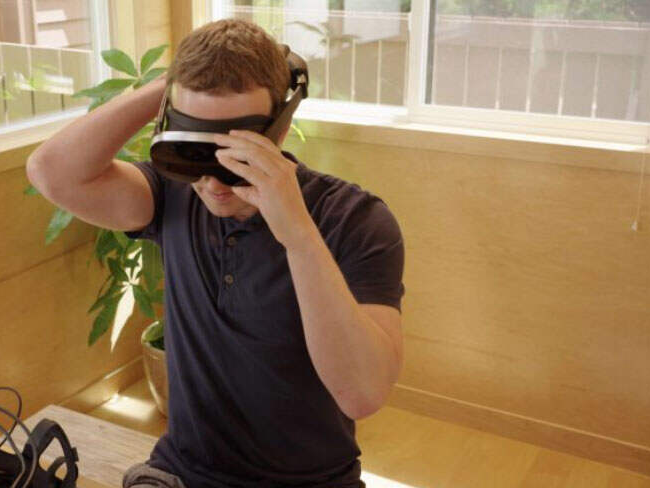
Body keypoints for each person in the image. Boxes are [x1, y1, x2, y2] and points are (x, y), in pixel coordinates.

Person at [26, 18, 405, 488]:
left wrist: (298, 235)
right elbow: (50, 172)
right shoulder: (171, 195)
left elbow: (362, 394)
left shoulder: (353, 219)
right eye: (194, 152)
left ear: (282, 127)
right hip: (184, 471)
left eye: (235, 156)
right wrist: (174, 83)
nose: (212, 182)